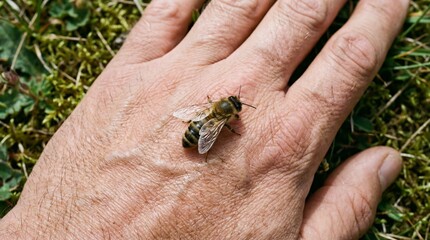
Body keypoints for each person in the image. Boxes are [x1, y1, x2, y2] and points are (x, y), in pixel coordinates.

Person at [0, 0, 410, 239]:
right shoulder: (224, 120)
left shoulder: (214, 113)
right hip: (198, 130)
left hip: (196, 126)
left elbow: (204, 119)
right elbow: (212, 127)